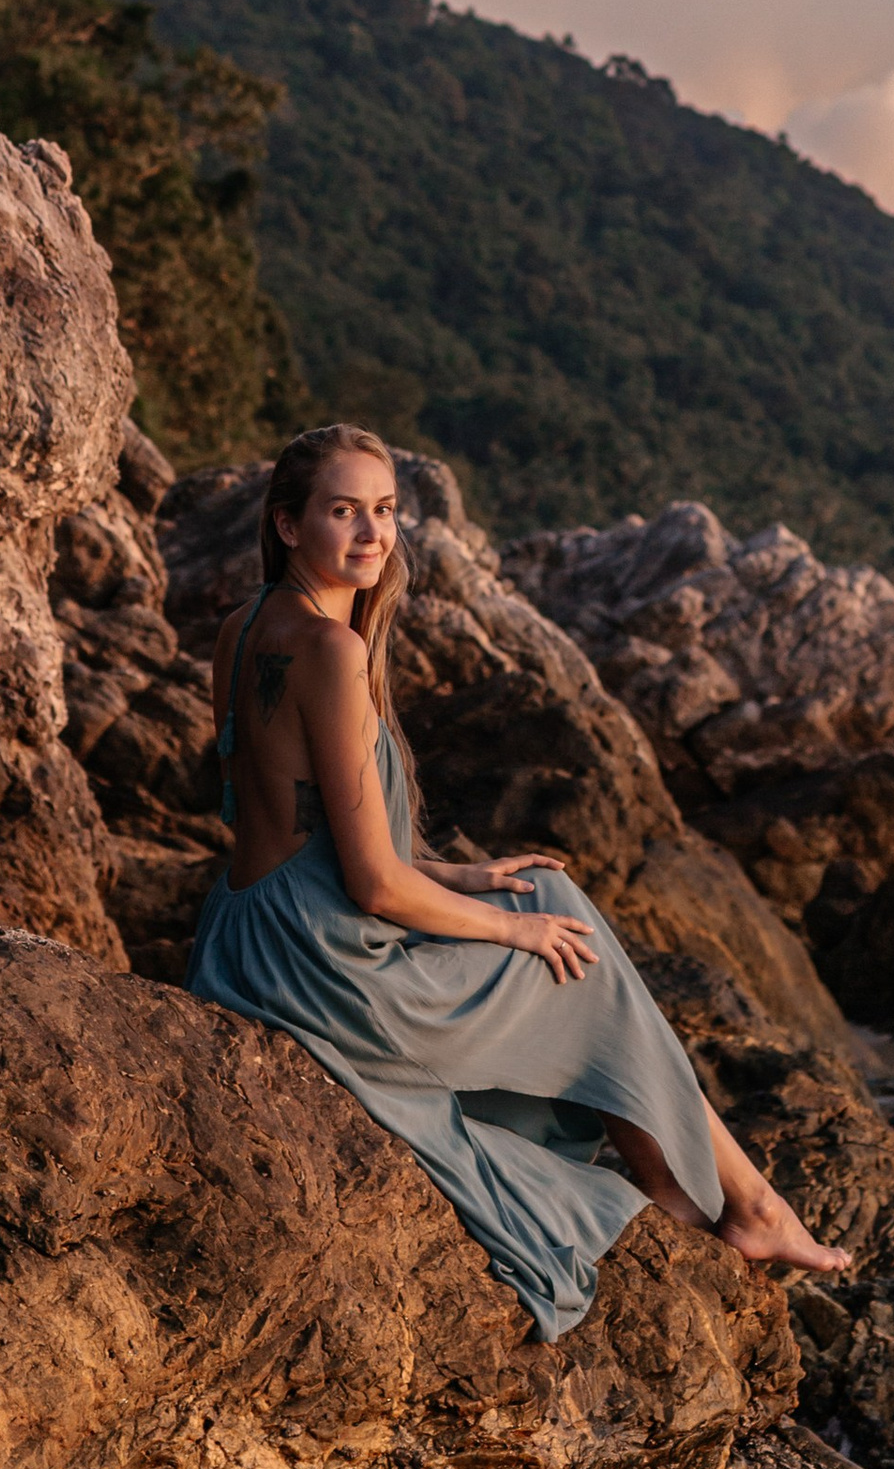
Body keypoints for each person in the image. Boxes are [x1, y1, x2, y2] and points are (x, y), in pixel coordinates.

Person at [187, 420, 852, 1339]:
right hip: (325, 968)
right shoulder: (335, 654)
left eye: (384, 511)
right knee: (556, 933)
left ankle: (733, 1195)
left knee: (542, 893)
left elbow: (289, 826)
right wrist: (512, 933)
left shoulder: (241, 627)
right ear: (290, 525)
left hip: (246, 936)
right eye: (344, 512)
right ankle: (721, 1198)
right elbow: (373, 887)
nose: (373, 534)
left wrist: (465, 875)